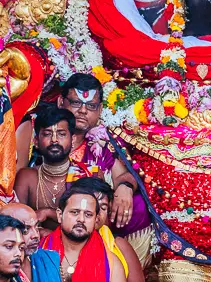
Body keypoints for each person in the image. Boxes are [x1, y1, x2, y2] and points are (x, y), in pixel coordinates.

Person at [58, 74, 147, 235]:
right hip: (47, 215)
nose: (83, 110)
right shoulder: (42, 131)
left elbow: (125, 175)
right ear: (60, 102)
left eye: (91, 106)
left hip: (91, 221)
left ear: (100, 110)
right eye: (76, 103)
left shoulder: (102, 144)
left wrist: (125, 187)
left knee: (139, 204)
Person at [14, 106, 76, 232]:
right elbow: (17, 223)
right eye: (47, 134)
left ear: (72, 140)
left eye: (61, 134)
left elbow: (96, 222)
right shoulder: (26, 177)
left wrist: (48, 213)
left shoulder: (87, 174)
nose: (54, 140)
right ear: (36, 141)